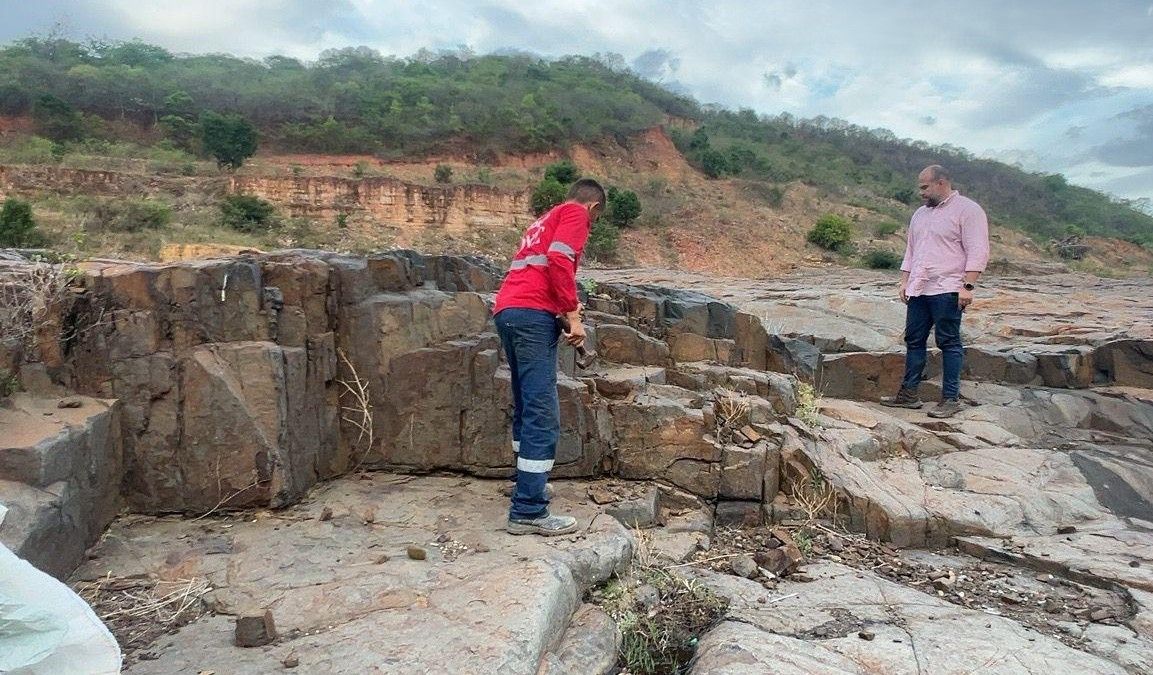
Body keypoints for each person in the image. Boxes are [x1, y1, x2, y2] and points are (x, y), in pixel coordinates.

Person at [493, 178, 605, 535]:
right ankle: (528, 510)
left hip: (508, 311)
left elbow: (538, 270)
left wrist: (562, 310)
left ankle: (526, 483)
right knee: (543, 411)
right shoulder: (575, 212)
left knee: (526, 402)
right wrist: (573, 316)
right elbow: (559, 259)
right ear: (593, 208)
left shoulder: (542, 220)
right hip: (531, 316)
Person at [881, 165, 990, 418]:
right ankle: (909, 395)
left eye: (924, 187)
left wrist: (968, 286)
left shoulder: (968, 210)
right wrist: (904, 281)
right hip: (919, 288)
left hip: (949, 288)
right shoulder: (920, 214)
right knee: (914, 340)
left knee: (949, 342)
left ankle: (950, 399)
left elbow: (978, 250)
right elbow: (911, 250)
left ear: (941, 183)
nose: (921, 193)